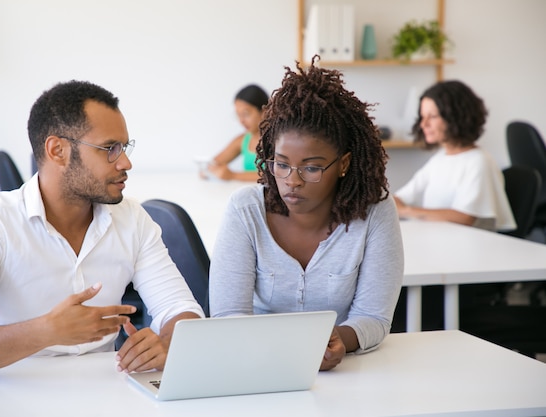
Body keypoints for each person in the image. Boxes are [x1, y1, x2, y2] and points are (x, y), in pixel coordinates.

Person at [0, 80, 204, 376]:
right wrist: (47, 331)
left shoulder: (132, 219)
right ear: (57, 150)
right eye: (109, 148)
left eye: (124, 147)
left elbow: (181, 309)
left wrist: (166, 342)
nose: (125, 162)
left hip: (105, 390)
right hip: (8, 392)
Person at [208, 56, 404, 371]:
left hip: (344, 377)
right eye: (281, 164)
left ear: (343, 164)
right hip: (255, 367)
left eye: (311, 167)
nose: (292, 180)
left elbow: (374, 318)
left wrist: (339, 338)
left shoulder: (375, 212)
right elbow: (227, 313)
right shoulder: (246, 210)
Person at [393, 80, 515, 232]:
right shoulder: (440, 159)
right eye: (422, 116)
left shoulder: (479, 161)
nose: (423, 124)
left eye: (432, 116)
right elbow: (400, 198)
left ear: (454, 117)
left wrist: (406, 211)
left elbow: (464, 218)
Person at [201, 84, 269, 181]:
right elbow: (214, 163)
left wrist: (232, 175)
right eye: (238, 115)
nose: (241, 121)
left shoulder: (277, 140)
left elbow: (273, 176)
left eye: (245, 114)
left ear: (264, 111)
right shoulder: (244, 140)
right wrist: (208, 170)